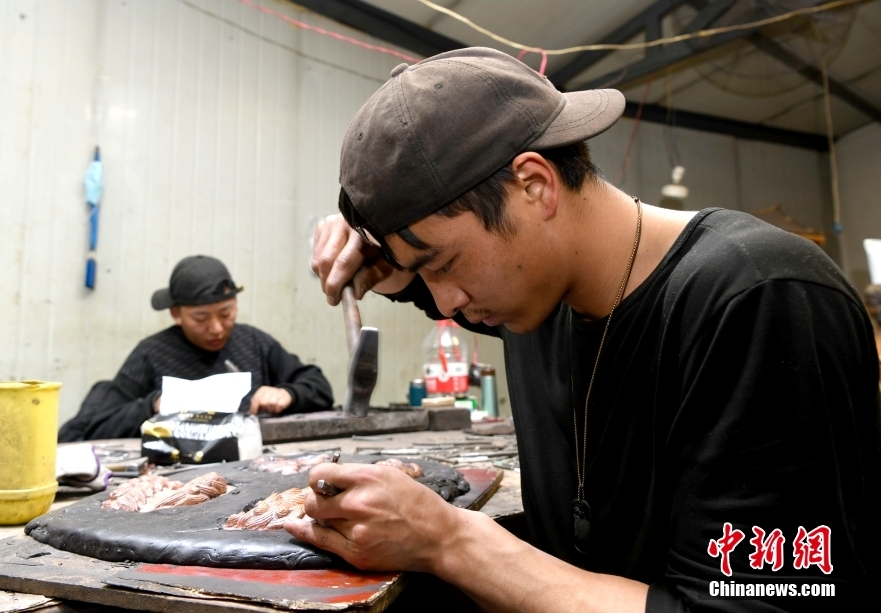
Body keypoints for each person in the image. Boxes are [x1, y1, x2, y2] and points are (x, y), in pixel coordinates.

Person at [290, 48, 881, 612]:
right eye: (424, 274)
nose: (449, 302)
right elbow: (434, 281)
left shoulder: (760, 300)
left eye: (443, 264)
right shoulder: (539, 293)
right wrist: (389, 261)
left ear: (535, 185)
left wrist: (450, 541)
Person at [59, 255, 334, 441]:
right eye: (201, 318)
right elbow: (86, 430)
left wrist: (288, 393)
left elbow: (319, 387)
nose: (216, 328)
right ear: (176, 313)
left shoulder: (254, 343)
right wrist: (153, 404)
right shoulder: (152, 354)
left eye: (226, 313)